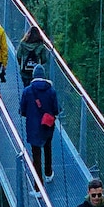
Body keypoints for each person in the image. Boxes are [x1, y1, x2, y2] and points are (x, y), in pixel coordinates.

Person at [19, 64, 59, 192]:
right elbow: (56, 110)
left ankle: (38, 187)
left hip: (33, 127)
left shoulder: (27, 91)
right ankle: (48, 173)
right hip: (48, 125)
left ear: (33, 76)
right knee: (48, 147)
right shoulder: (51, 90)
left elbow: (22, 110)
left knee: (36, 156)